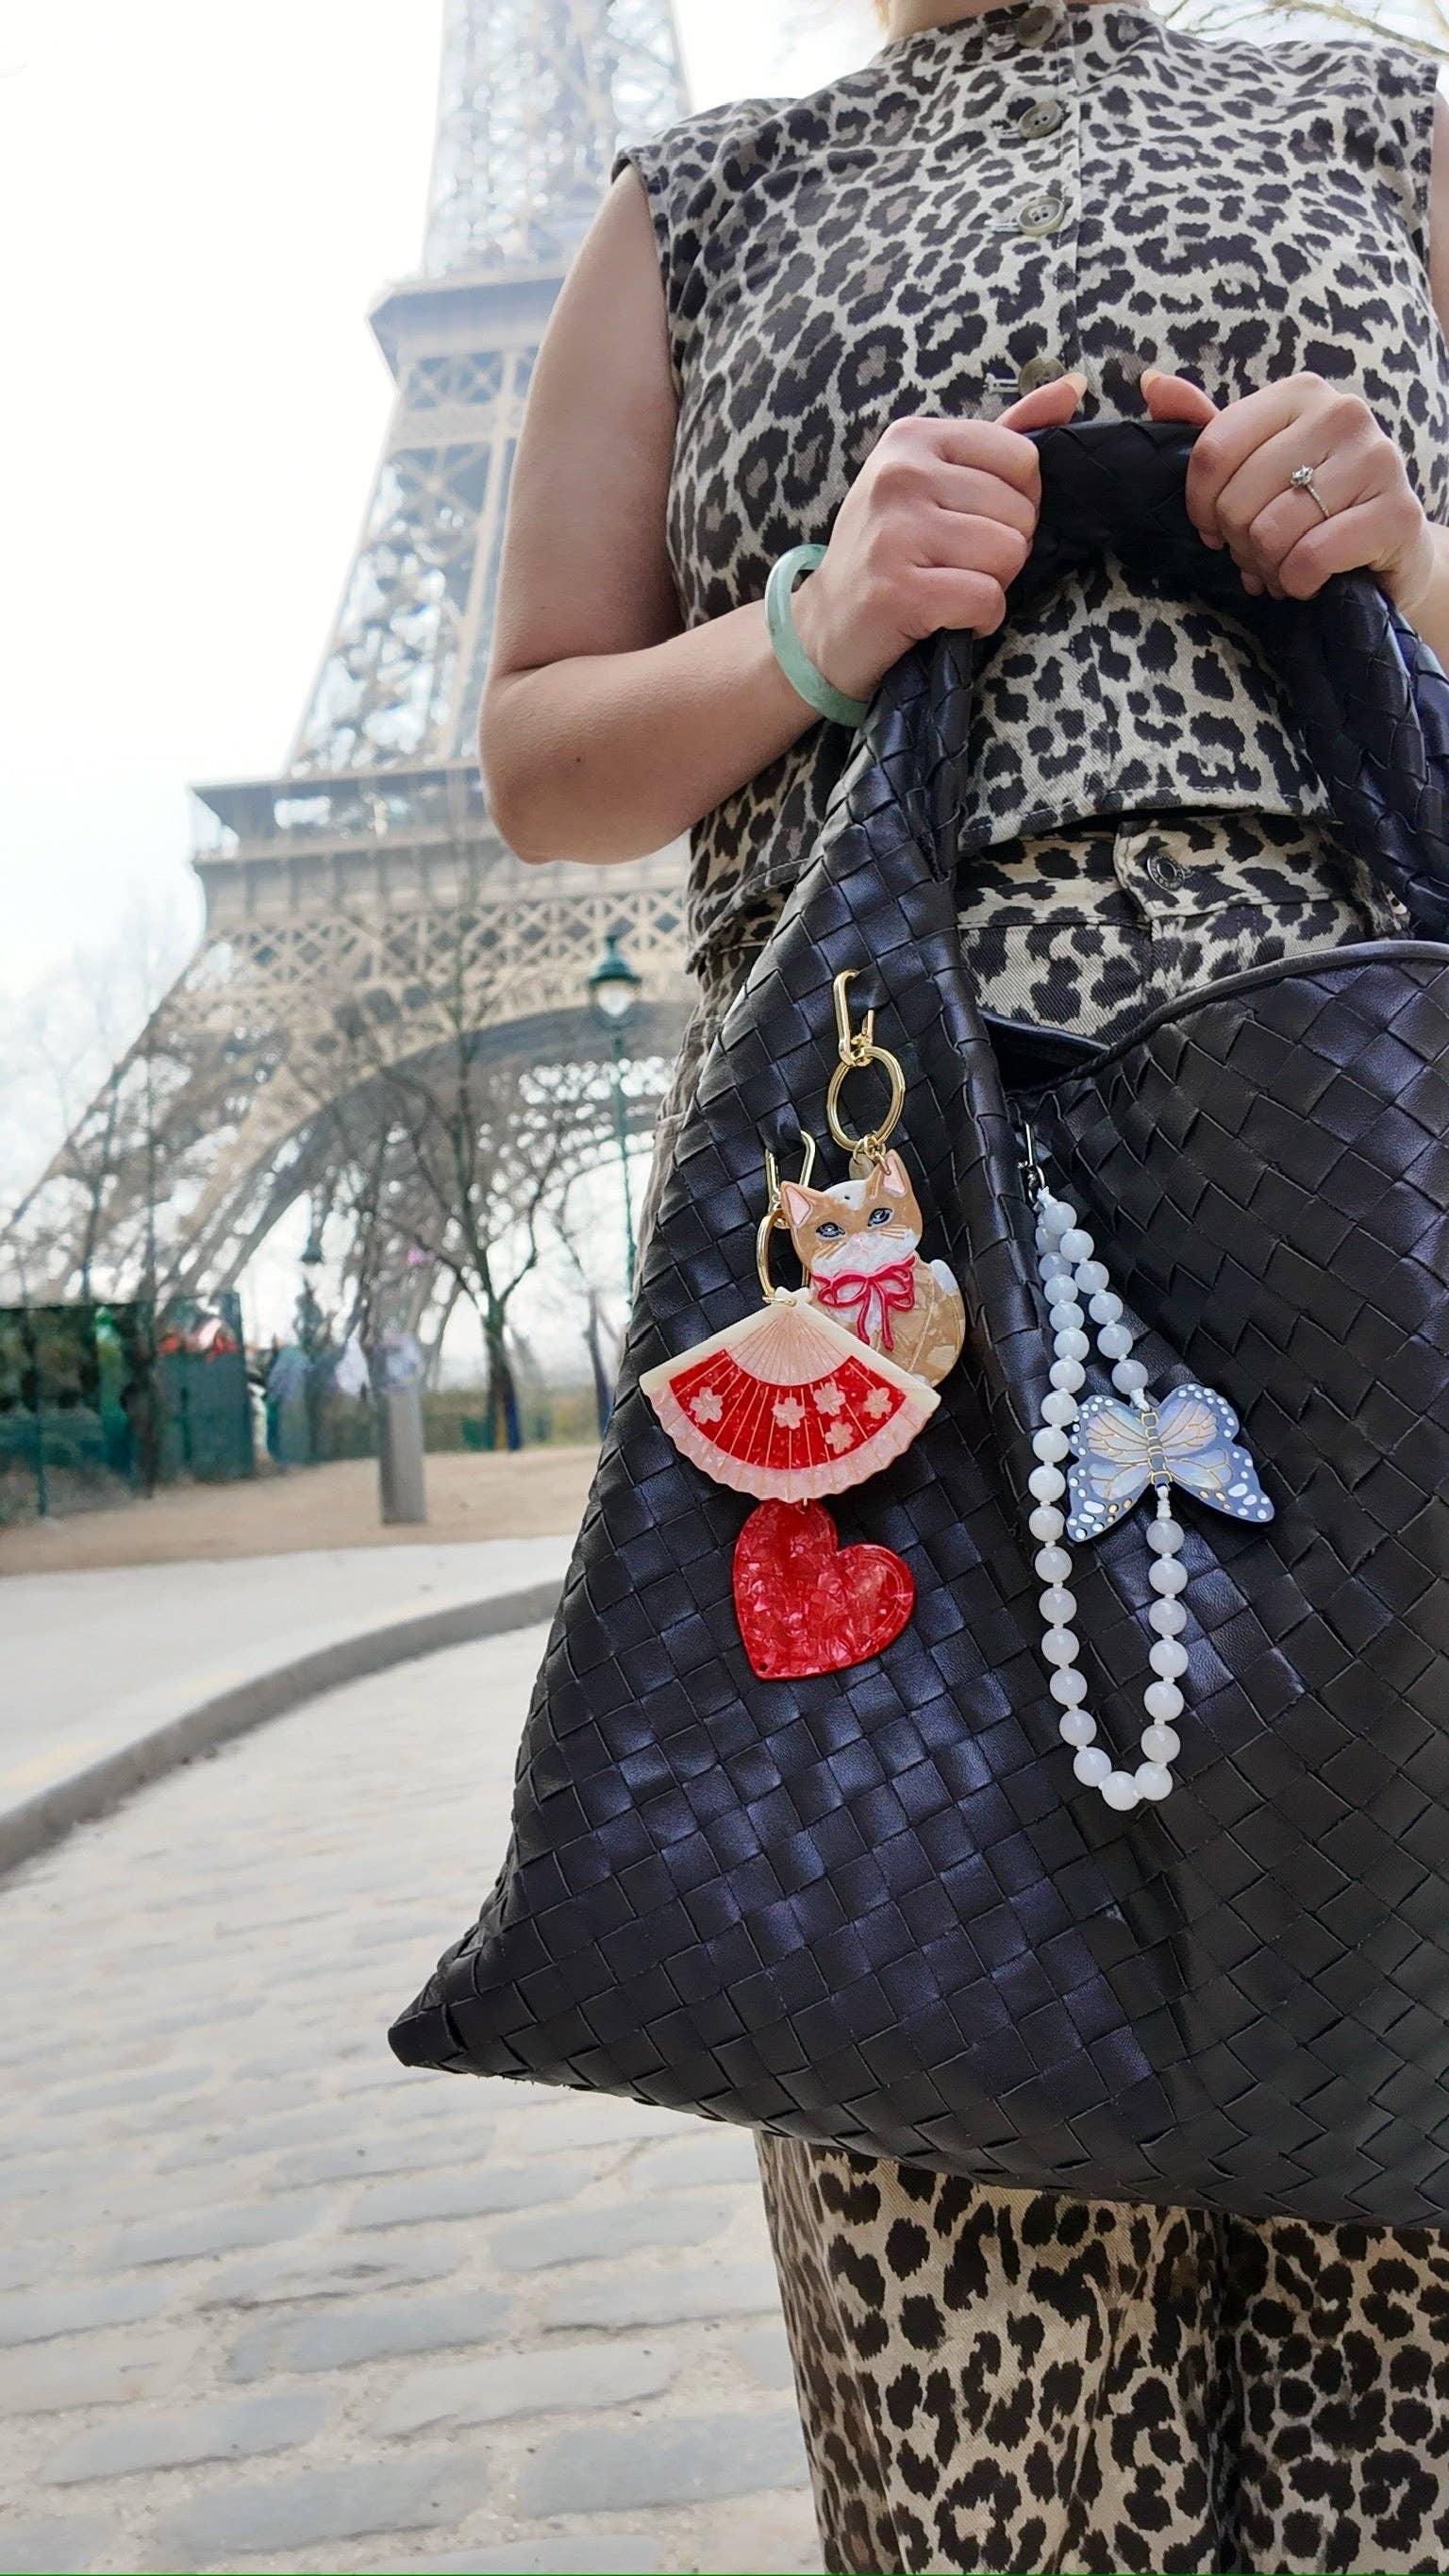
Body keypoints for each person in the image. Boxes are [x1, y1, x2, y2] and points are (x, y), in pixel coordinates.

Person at [478, 2, 1449, 2567]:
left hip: (1381, 1209)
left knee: (1415, 2266)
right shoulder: (692, 210)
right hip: (893, 1231)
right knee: (960, 2201)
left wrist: (1407, 555)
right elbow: (536, 744)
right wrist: (819, 627)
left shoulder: (1388, 110)